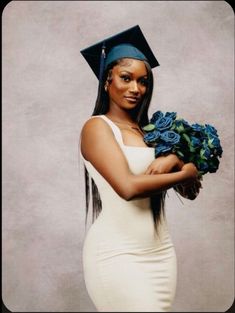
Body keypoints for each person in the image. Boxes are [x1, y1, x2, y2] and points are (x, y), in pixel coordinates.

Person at [79, 25, 202, 312]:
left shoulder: (150, 133)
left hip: (161, 252)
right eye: (126, 78)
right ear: (107, 80)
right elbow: (128, 187)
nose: (136, 89)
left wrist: (174, 160)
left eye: (143, 81)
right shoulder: (97, 127)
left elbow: (191, 193)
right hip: (117, 255)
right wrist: (186, 170)